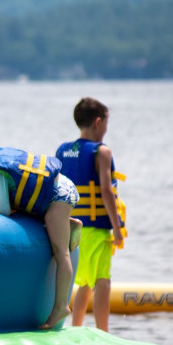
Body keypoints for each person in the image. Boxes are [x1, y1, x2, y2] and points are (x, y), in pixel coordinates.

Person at [0, 145, 80, 330]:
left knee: (60, 252)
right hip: (54, 191)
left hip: (59, 195)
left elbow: (3, 209)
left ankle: (61, 306)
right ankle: (68, 222)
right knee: (26, 207)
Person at [55, 97, 127, 332]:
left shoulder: (63, 151)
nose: (106, 128)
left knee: (84, 281)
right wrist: (117, 228)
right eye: (106, 123)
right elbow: (106, 190)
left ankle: (76, 327)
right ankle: (103, 331)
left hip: (72, 226)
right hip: (97, 227)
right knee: (102, 279)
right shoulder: (102, 152)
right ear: (98, 122)